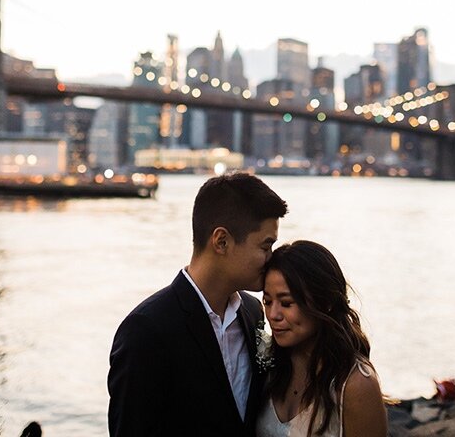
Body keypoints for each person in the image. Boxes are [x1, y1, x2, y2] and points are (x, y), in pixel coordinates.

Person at [108, 172, 288, 437]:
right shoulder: (146, 330)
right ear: (222, 241)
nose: (271, 259)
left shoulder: (253, 313)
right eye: (266, 246)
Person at [257, 241, 387, 437]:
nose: (273, 314)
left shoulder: (355, 385)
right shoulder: (268, 365)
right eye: (267, 301)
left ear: (324, 302)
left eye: (286, 303)